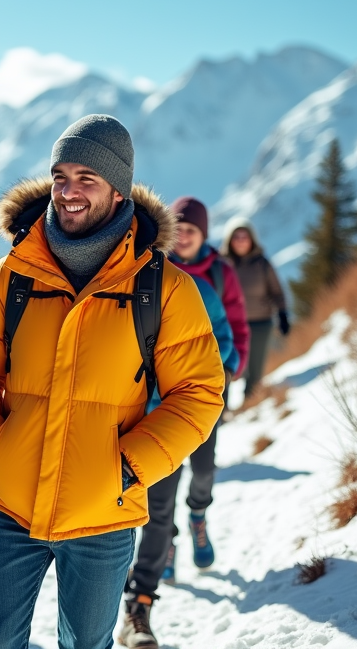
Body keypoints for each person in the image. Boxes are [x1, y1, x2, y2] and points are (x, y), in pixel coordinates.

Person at [0, 114, 226, 649]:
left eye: (86, 178)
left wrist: (128, 466)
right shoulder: (12, 276)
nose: (68, 192)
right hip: (11, 506)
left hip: (104, 513)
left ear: (118, 191)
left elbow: (199, 392)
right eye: (60, 176)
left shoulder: (164, 288)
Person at [120, 278, 239, 649]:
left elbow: (224, 336)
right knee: (114, 516)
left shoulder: (190, 288)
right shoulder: (108, 281)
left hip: (168, 422)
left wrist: (214, 375)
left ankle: (139, 605)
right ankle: (112, 596)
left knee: (158, 510)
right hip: (110, 423)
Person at [166, 196, 250, 570]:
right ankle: (162, 540)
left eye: (191, 231)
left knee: (203, 466)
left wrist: (231, 368)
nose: (183, 237)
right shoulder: (156, 266)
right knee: (164, 468)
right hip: (159, 389)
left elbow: (237, 325)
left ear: (203, 235)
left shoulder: (220, 273)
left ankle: (198, 517)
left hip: (209, 386)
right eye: (178, 229)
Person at [222, 217, 290, 399]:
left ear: (252, 239)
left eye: (245, 236)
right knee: (226, 365)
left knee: (255, 368)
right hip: (230, 325)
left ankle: (249, 403)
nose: (241, 240)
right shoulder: (222, 264)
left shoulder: (262, 264)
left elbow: (277, 291)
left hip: (260, 323)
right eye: (236, 237)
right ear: (230, 240)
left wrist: (283, 313)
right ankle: (223, 407)